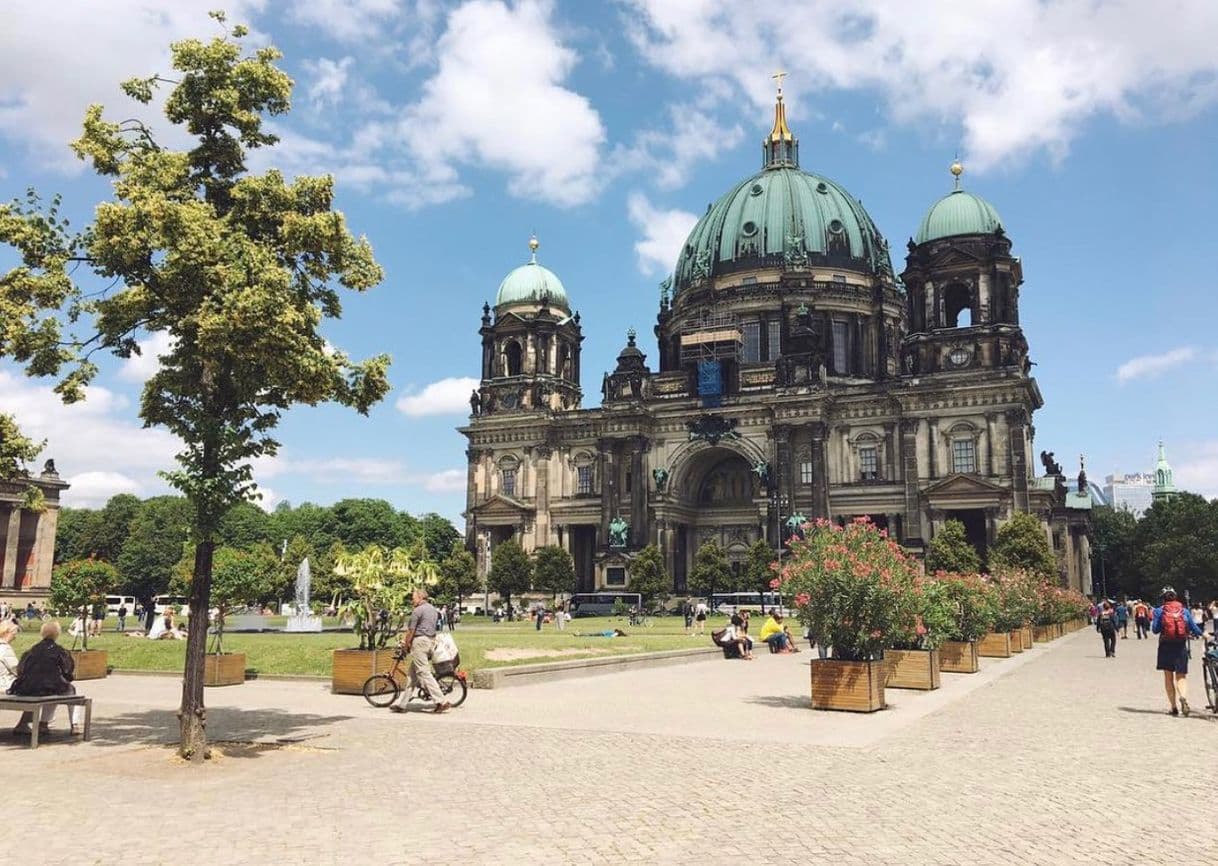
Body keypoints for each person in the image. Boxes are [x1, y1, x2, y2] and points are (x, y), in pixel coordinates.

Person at [10, 620, 84, 737]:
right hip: (50, 686)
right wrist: (67, 678)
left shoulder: (31, 651)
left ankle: (44, 724)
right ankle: (75, 724)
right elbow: (67, 671)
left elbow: (20, 669)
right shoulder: (60, 651)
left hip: (28, 687)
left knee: (51, 690)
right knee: (69, 690)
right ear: (57, 634)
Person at [391, 589, 450, 714]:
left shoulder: (417, 611)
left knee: (424, 673)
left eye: (414, 597)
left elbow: (411, 631)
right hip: (430, 641)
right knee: (412, 676)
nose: (412, 600)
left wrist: (406, 646)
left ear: (420, 597)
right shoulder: (433, 610)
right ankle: (402, 704)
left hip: (420, 642)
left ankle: (441, 701)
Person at [1151, 586, 1204, 716]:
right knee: (1181, 676)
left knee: (1168, 677)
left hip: (1165, 646)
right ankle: (1183, 697)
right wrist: (1203, 634)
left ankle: (1173, 706)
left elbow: (1155, 630)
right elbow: (1193, 627)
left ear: (1163, 599)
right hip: (1181, 645)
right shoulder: (1184, 610)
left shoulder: (1159, 611)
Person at [0, 620, 20, 693]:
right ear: (8, 632)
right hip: (5, 686)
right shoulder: (5, 648)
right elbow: (17, 670)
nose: (15, 637)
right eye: (14, 633)